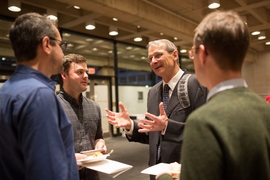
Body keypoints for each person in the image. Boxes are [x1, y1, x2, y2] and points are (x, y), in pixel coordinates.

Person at [157, 10, 270, 180]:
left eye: (192, 52)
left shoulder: (203, 122)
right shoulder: (265, 111)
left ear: (203, 54)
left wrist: (164, 177)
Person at [106, 39, 207, 180]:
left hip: (185, 173)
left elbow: (205, 134)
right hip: (156, 174)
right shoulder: (153, 92)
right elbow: (153, 135)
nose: (153, 61)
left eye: (158, 55)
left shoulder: (196, 84)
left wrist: (167, 127)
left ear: (175, 55)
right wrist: (130, 125)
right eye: (150, 58)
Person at [0, 13, 79, 180]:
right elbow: (48, 172)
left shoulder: (6, 91)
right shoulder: (39, 95)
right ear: (46, 44)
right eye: (60, 44)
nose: (62, 51)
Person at [57, 53, 107, 180]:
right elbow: (43, 148)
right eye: (79, 72)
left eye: (86, 72)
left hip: (92, 175)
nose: (86, 76)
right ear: (64, 75)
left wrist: (100, 144)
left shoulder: (94, 107)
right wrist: (67, 158)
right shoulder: (52, 107)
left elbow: (98, 137)